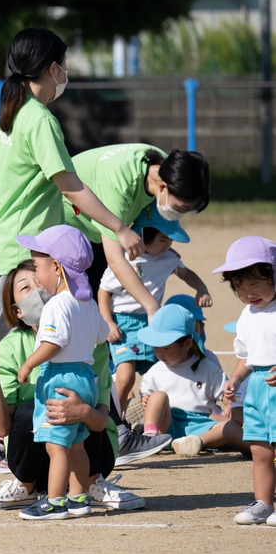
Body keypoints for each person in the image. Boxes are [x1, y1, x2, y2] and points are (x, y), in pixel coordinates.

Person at [0, 28, 145, 472]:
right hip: (30, 253)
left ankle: (13, 446)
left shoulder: (10, 113)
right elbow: (70, 186)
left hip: (8, 244)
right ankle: (12, 448)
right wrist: (119, 227)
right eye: (63, 65)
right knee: (51, 349)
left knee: (17, 349)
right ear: (52, 68)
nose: (65, 73)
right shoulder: (39, 118)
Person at [0, 259, 145, 513]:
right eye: (25, 287)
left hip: (94, 451)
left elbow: (101, 420)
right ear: (17, 311)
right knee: (32, 409)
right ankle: (26, 488)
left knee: (79, 404)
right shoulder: (10, 347)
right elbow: (2, 427)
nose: (37, 288)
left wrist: (83, 412)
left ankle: (92, 486)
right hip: (33, 458)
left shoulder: (88, 340)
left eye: (38, 279)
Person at [14, 225, 110, 520]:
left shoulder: (57, 304)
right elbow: (101, 334)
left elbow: (53, 343)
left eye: (38, 266)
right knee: (76, 445)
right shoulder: (87, 302)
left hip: (60, 377)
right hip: (85, 377)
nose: (36, 273)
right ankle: (79, 497)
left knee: (56, 447)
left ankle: (55, 501)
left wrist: (29, 363)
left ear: (56, 267)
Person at [98, 206, 212, 422]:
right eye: (162, 239)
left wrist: (202, 288)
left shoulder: (169, 258)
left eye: (170, 239)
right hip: (124, 324)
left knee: (160, 373)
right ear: (143, 235)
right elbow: (104, 291)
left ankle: (152, 420)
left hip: (153, 322)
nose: (168, 244)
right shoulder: (125, 259)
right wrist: (108, 323)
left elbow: (187, 274)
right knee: (125, 377)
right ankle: (112, 424)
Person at [67, 143, 211, 305]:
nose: (181, 214)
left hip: (96, 231)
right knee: (79, 300)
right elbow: (115, 259)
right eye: (180, 207)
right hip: (65, 225)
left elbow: (147, 223)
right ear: (163, 186)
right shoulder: (119, 186)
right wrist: (150, 306)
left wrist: (161, 246)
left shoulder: (164, 168)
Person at [211, 237, 276, 525]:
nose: (248, 293)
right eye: (239, 287)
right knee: (260, 450)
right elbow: (247, 356)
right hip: (258, 391)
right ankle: (263, 503)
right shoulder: (246, 315)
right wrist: (236, 379)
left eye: (255, 284)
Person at [136, 304, 244, 457]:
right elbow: (147, 398)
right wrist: (145, 400)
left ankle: (194, 443)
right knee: (158, 396)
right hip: (168, 423)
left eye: (166, 348)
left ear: (187, 343)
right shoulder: (155, 371)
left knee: (231, 427)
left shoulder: (208, 367)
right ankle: (149, 438)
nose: (159, 353)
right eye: (156, 347)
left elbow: (226, 394)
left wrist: (229, 404)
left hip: (201, 425)